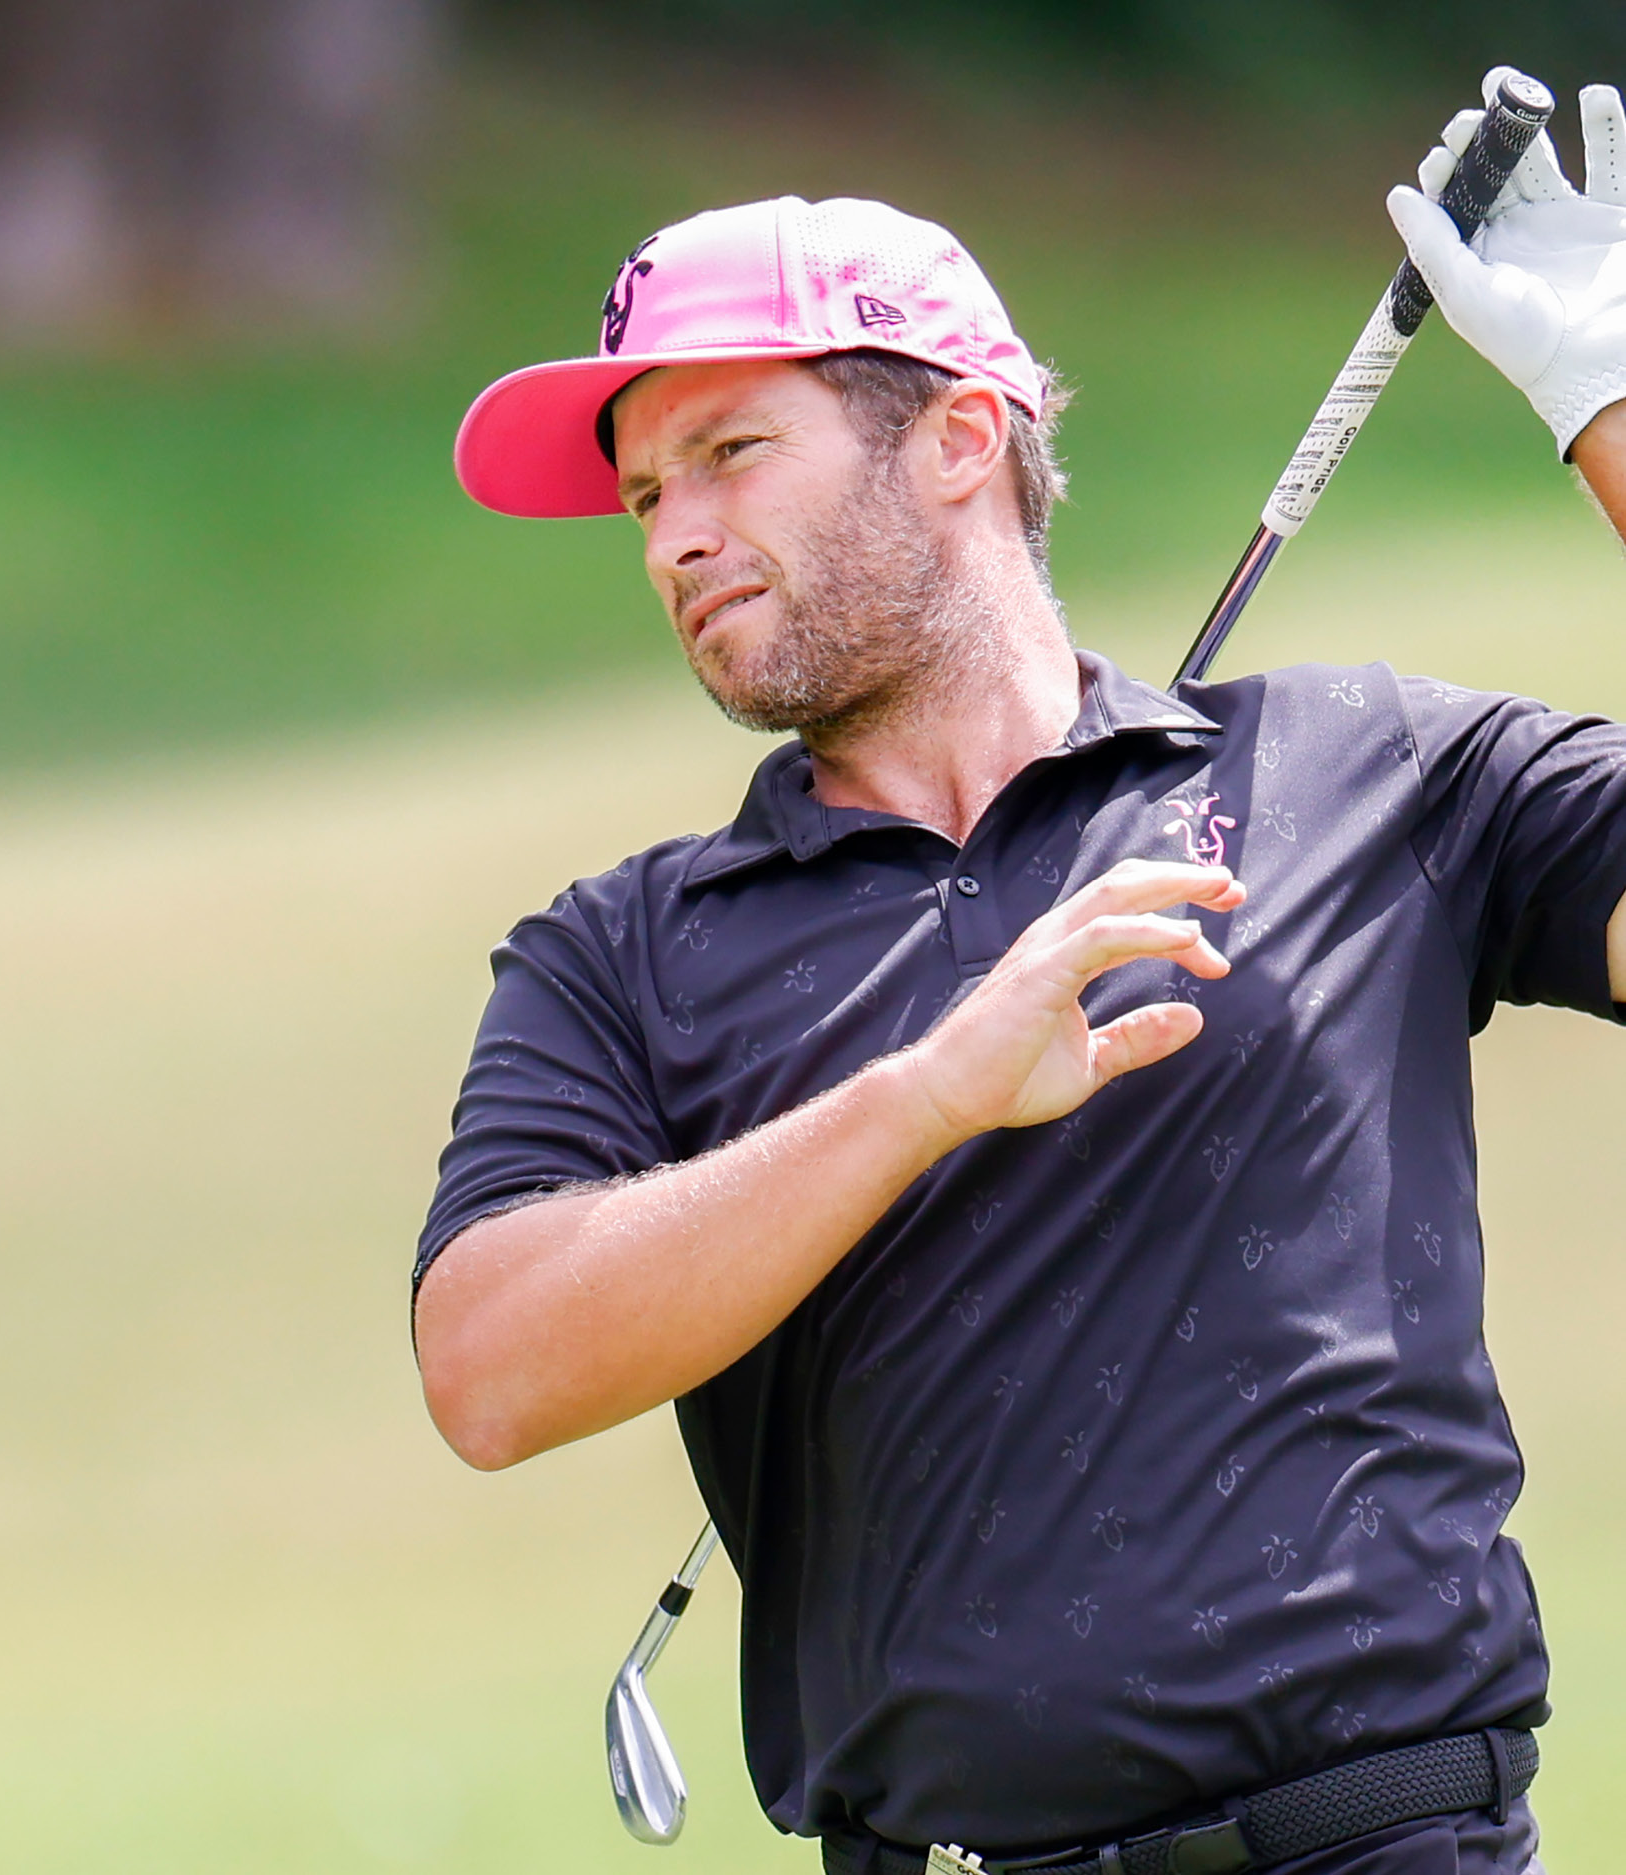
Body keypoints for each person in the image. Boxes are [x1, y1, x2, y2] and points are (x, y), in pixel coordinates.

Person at [409, 80, 1626, 1875]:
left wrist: (1606, 399)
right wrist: (925, 1091)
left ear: (961, 437)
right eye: (646, 488)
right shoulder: (625, 955)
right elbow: (488, 1368)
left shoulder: (1366, 773)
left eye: (732, 454)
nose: (670, 534)